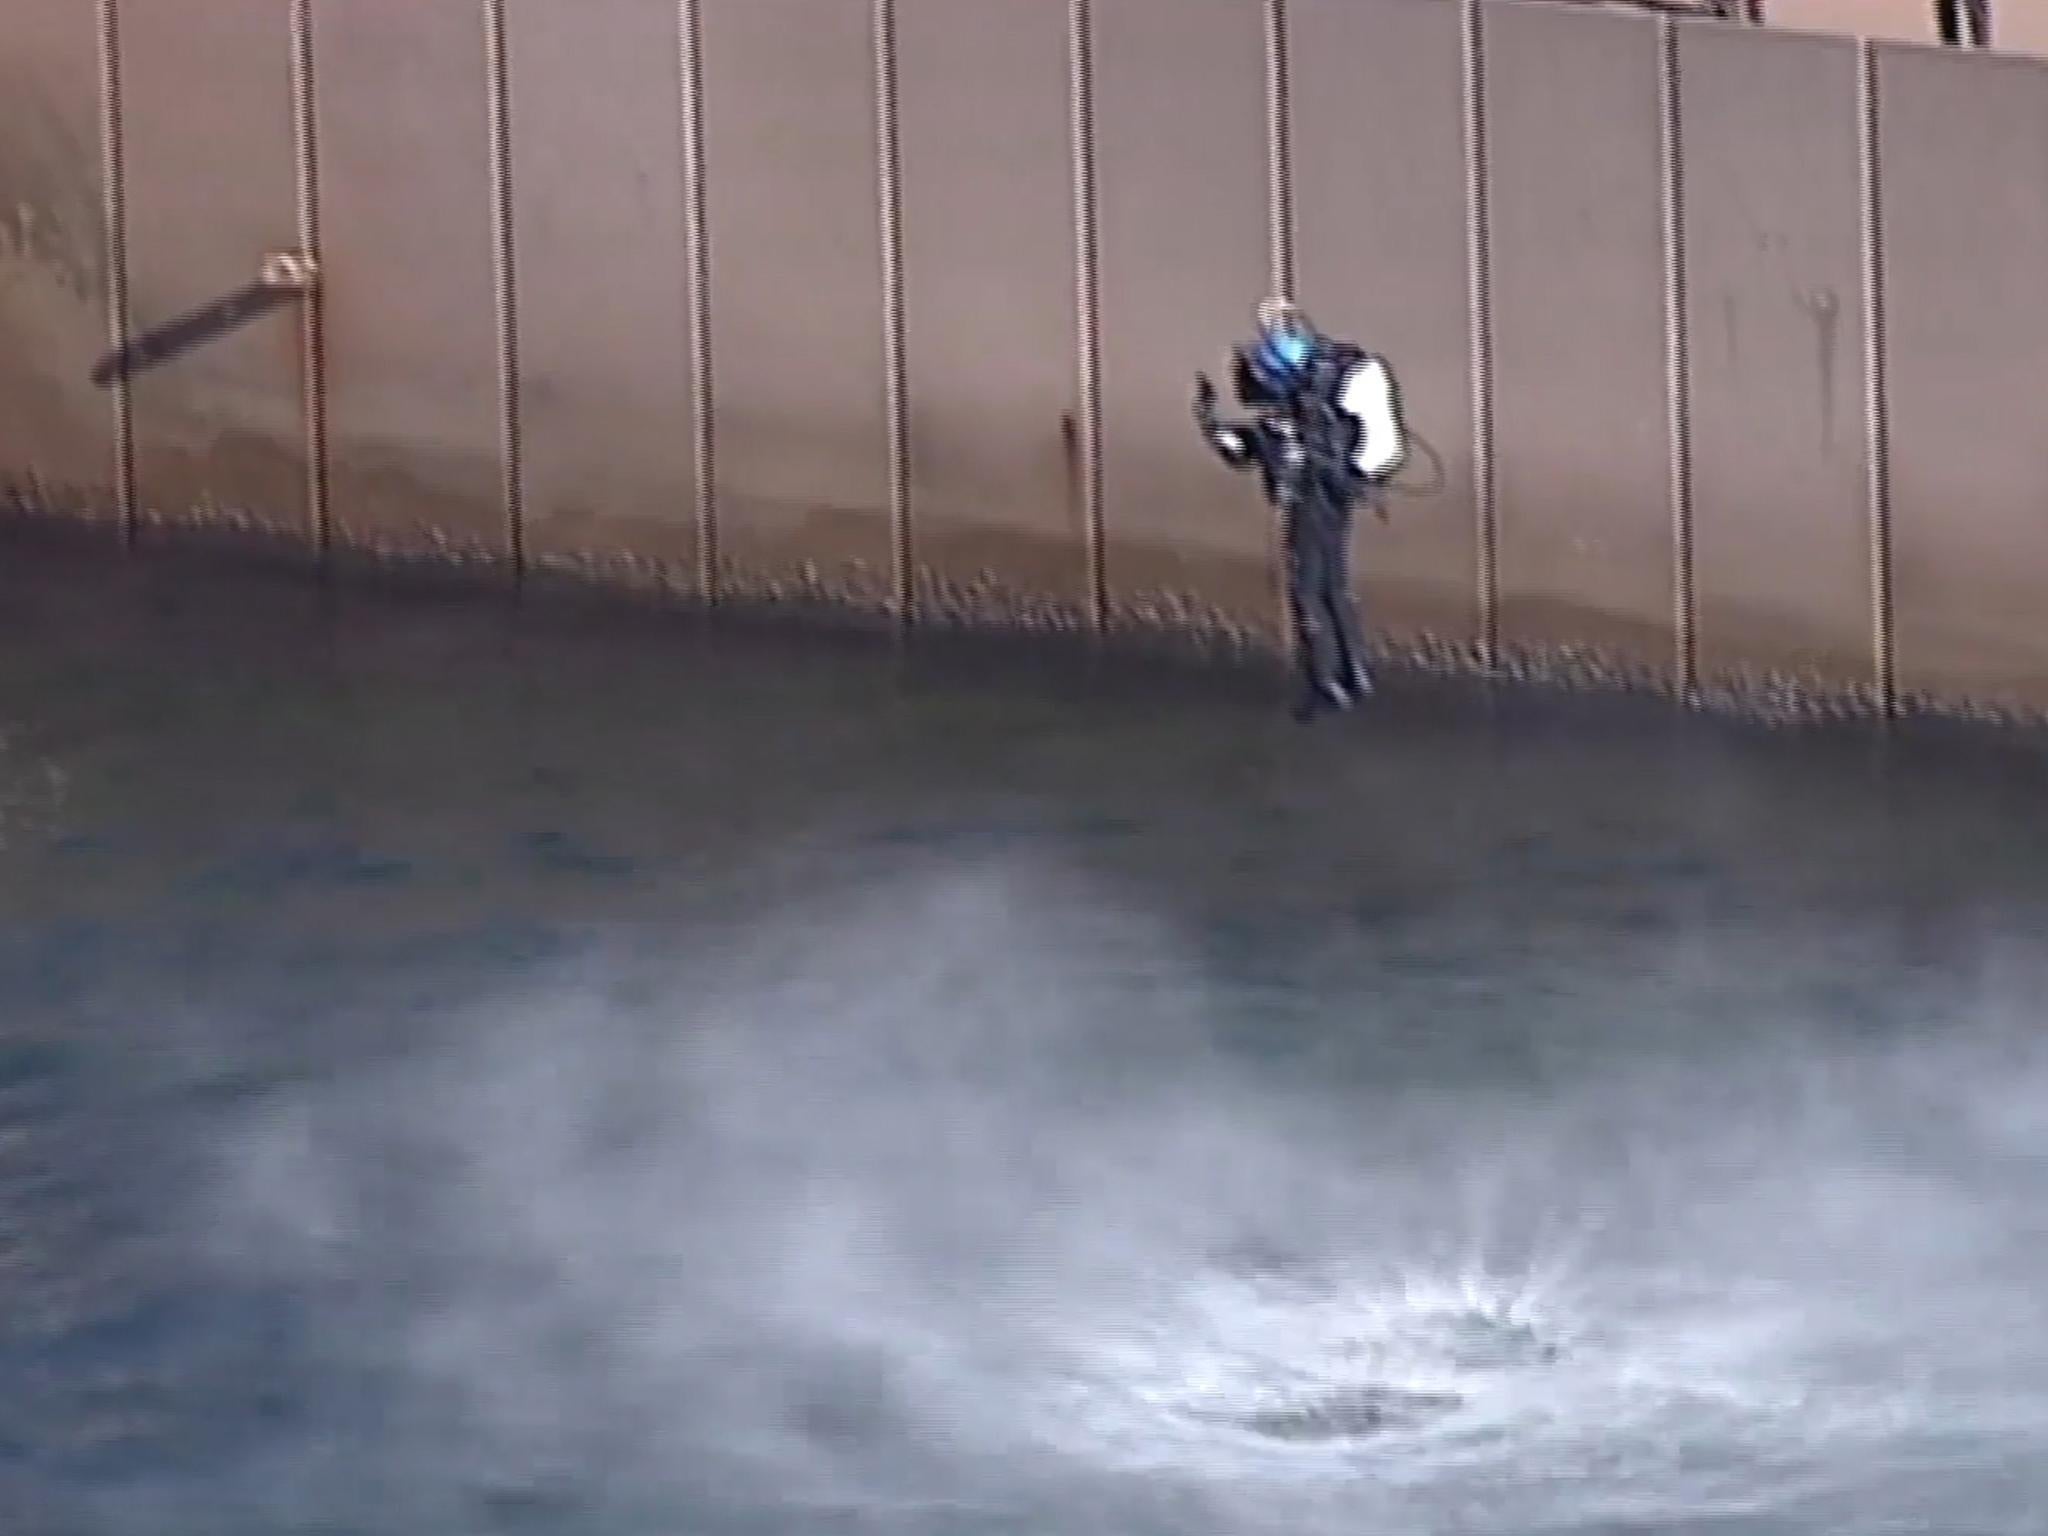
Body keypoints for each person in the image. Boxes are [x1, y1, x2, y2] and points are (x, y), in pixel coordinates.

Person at [1192, 298, 1406, 723]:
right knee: (1334, 586)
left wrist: (1329, 473)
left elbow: (1257, 450)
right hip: (1331, 491)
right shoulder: (1311, 400)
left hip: (1319, 495)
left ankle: (1325, 683)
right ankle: (1353, 674)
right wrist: (1216, 428)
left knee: (1309, 591)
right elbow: (1252, 448)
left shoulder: (1321, 402)